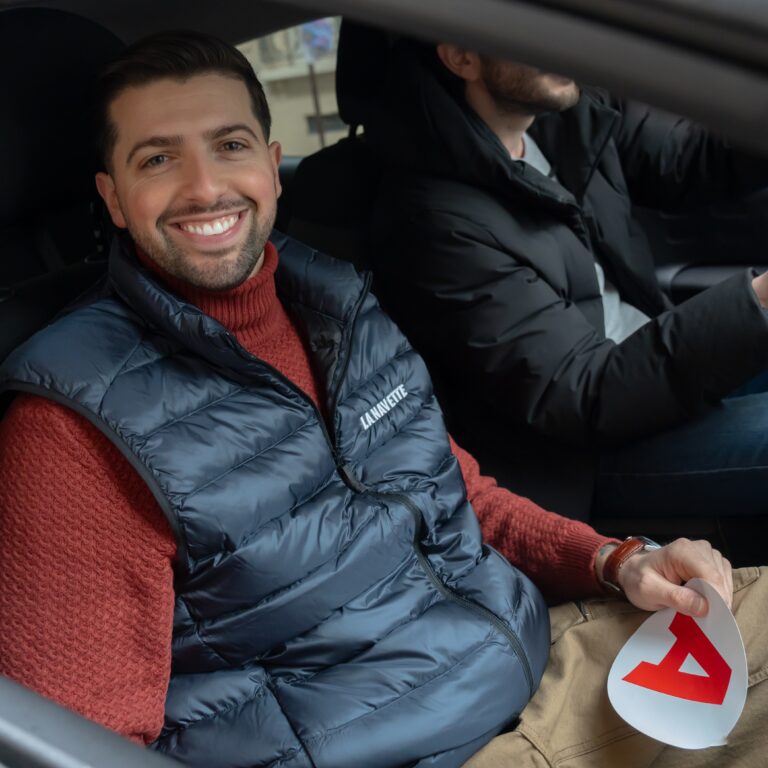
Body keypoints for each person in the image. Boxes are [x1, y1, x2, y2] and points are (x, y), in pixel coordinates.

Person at [0, 31, 763, 768]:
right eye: (158, 158)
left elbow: (459, 497)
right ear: (114, 197)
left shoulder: (334, 304)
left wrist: (616, 559)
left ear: (271, 166)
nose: (204, 187)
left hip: (535, 656)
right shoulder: (76, 427)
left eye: (229, 145)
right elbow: (81, 749)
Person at [361, 37, 768, 523]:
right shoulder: (433, 221)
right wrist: (758, 302)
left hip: (655, 378)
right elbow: (586, 393)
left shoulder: (566, 114)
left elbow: (691, 160)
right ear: (462, 57)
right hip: (586, 460)